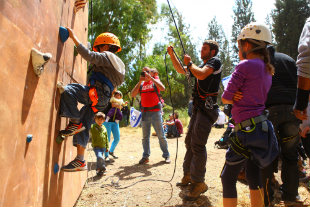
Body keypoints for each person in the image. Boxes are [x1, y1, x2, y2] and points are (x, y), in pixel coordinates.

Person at [221, 22, 279, 207]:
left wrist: (234, 96)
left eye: (240, 46)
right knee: (254, 175)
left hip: (246, 129)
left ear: (246, 45)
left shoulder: (244, 65)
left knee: (227, 177)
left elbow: (225, 97)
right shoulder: (267, 69)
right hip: (261, 128)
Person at [59, 29, 125, 171]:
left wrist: (73, 36)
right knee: (84, 124)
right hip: (102, 100)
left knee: (69, 90)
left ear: (106, 47)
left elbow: (89, 55)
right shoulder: (119, 66)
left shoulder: (107, 56)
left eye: (99, 49)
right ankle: (80, 160)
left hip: (97, 93)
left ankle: (75, 122)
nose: (99, 52)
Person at [167, 39, 221, 200]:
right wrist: (172, 55)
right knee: (189, 142)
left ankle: (199, 183)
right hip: (199, 109)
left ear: (212, 52)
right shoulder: (199, 66)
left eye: (204, 48)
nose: (201, 50)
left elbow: (202, 74)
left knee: (197, 144)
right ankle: (189, 175)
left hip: (208, 110)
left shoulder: (214, 62)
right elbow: (180, 69)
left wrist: (190, 64)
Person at [261, 45, 301, 206]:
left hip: (270, 111)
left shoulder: (262, 61)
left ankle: (269, 196)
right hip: (292, 111)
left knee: (268, 154)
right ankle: (291, 194)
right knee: (291, 155)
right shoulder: (290, 60)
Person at [131, 67, 170, 164]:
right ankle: (145, 156)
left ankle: (166, 155)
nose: (145, 74)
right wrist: (140, 81)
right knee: (145, 137)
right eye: (143, 72)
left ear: (152, 73)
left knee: (161, 135)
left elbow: (163, 88)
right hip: (145, 112)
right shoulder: (141, 84)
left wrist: (151, 78)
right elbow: (132, 94)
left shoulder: (155, 81)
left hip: (155, 112)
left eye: (147, 71)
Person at [90, 112, 109, 176]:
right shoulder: (93, 127)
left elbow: (106, 138)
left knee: (99, 159)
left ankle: (99, 171)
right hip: (96, 147)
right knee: (100, 157)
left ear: (104, 120)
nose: (100, 121)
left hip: (103, 147)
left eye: (101, 120)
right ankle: (103, 168)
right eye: (98, 119)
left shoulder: (104, 128)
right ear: (95, 119)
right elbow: (89, 128)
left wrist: (107, 147)